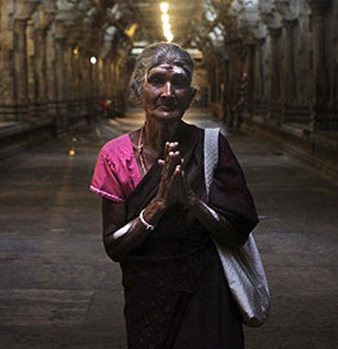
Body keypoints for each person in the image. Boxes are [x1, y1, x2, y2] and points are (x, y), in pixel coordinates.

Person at [89, 42, 259, 348]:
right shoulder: (115, 156)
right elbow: (113, 246)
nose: (167, 92)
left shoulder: (212, 147)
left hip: (207, 296)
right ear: (138, 90)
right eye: (156, 81)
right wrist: (158, 205)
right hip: (147, 298)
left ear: (191, 96)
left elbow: (237, 231)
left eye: (179, 83)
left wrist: (192, 202)